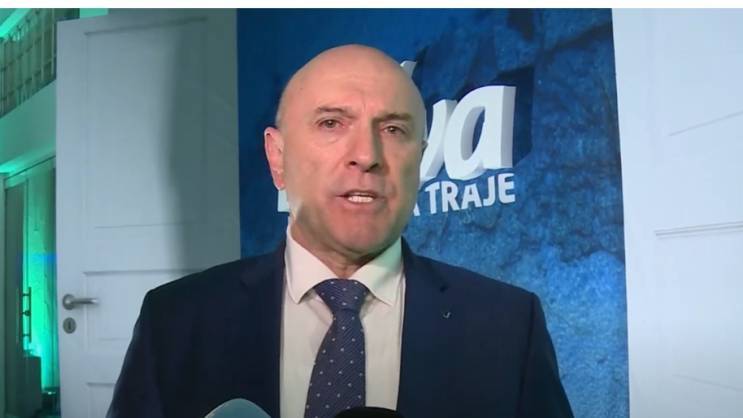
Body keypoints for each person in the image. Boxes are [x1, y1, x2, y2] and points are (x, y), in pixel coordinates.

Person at [108, 44, 573, 418]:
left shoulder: (509, 327)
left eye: (393, 129)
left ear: (420, 159)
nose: (366, 155)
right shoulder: (176, 321)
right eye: (331, 123)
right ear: (277, 158)